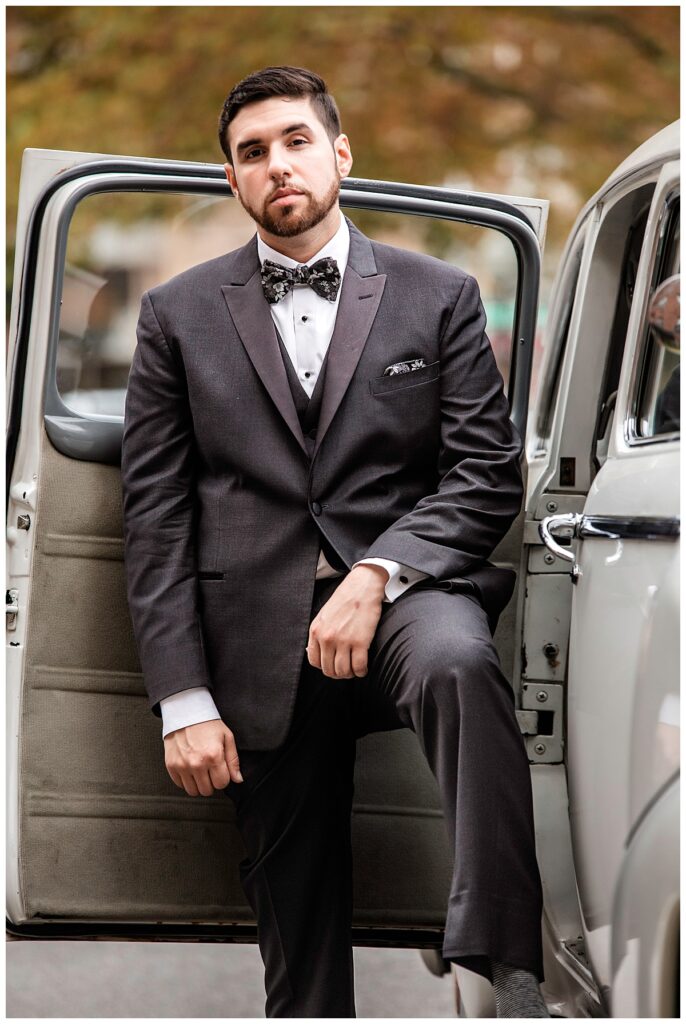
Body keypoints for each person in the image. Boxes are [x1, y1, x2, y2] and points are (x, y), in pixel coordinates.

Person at [121, 65, 548, 1018]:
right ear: (231, 178)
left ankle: (500, 951)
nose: (277, 164)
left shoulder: (439, 295)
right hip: (253, 625)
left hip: (402, 595)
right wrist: (182, 699)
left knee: (457, 664)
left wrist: (380, 570)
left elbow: (485, 477)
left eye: (296, 141)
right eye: (252, 152)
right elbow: (156, 517)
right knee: (298, 928)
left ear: (340, 153)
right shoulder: (175, 315)